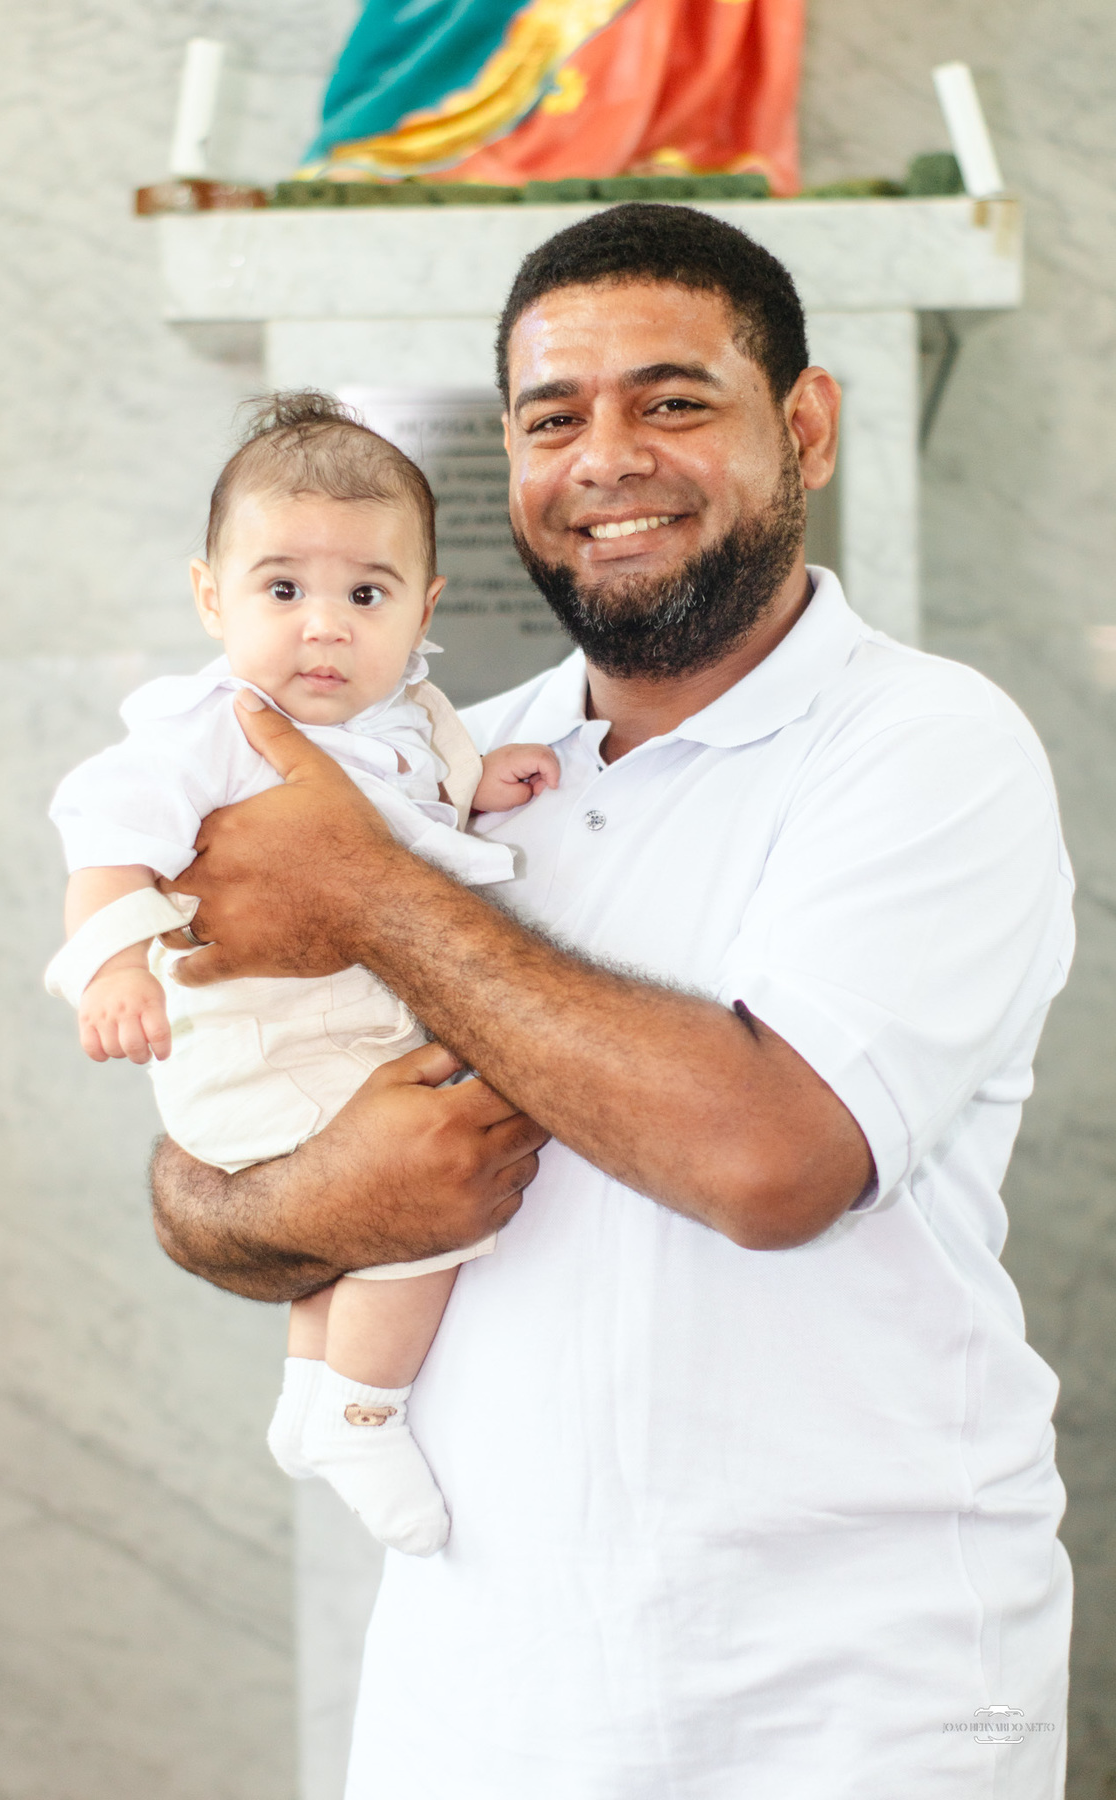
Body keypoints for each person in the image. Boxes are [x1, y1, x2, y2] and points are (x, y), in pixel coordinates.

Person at [150, 204, 1074, 1798]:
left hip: (854, 1691)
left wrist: (373, 889)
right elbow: (197, 1184)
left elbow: (772, 1162)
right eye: (550, 418)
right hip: (480, 1682)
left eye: (673, 400)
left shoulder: (928, 746)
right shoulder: (431, 766)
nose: (607, 458)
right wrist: (325, 1192)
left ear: (805, 425)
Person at [44, 392, 558, 1559]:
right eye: (283, 590)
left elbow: (414, 814)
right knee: (416, 1215)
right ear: (210, 596)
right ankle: (363, 1416)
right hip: (260, 1039)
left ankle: (309, 1392)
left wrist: (483, 783)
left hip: (342, 1034)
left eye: (365, 596)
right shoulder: (206, 726)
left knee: (363, 1205)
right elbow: (102, 836)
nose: (323, 628)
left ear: (424, 610)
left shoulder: (411, 719)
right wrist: (114, 965)